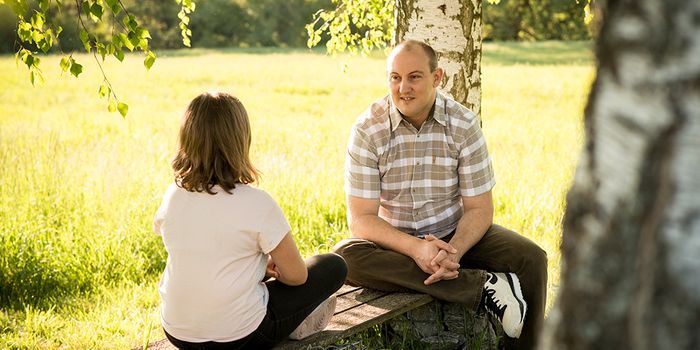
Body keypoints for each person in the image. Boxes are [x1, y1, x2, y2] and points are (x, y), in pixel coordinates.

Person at [333, 40, 547, 349]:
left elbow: (479, 208)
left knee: (531, 258)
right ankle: (484, 288)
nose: (403, 87)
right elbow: (362, 221)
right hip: (396, 244)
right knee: (345, 257)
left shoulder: (463, 125)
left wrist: (454, 251)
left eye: (414, 76)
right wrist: (417, 250)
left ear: (437, 77)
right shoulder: (368, 129)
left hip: (454, 233)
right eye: (395, 77)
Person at [154, 91, 347, 349]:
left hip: (178, 333)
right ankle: (298, 324)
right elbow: (297, 277)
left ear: (187, 140)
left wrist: (255, 266)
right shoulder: (257, 203)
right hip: (242, 337)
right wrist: (270, 267)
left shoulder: (173, 195)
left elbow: (198, 246)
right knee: (334, 266)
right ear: (241, 141)